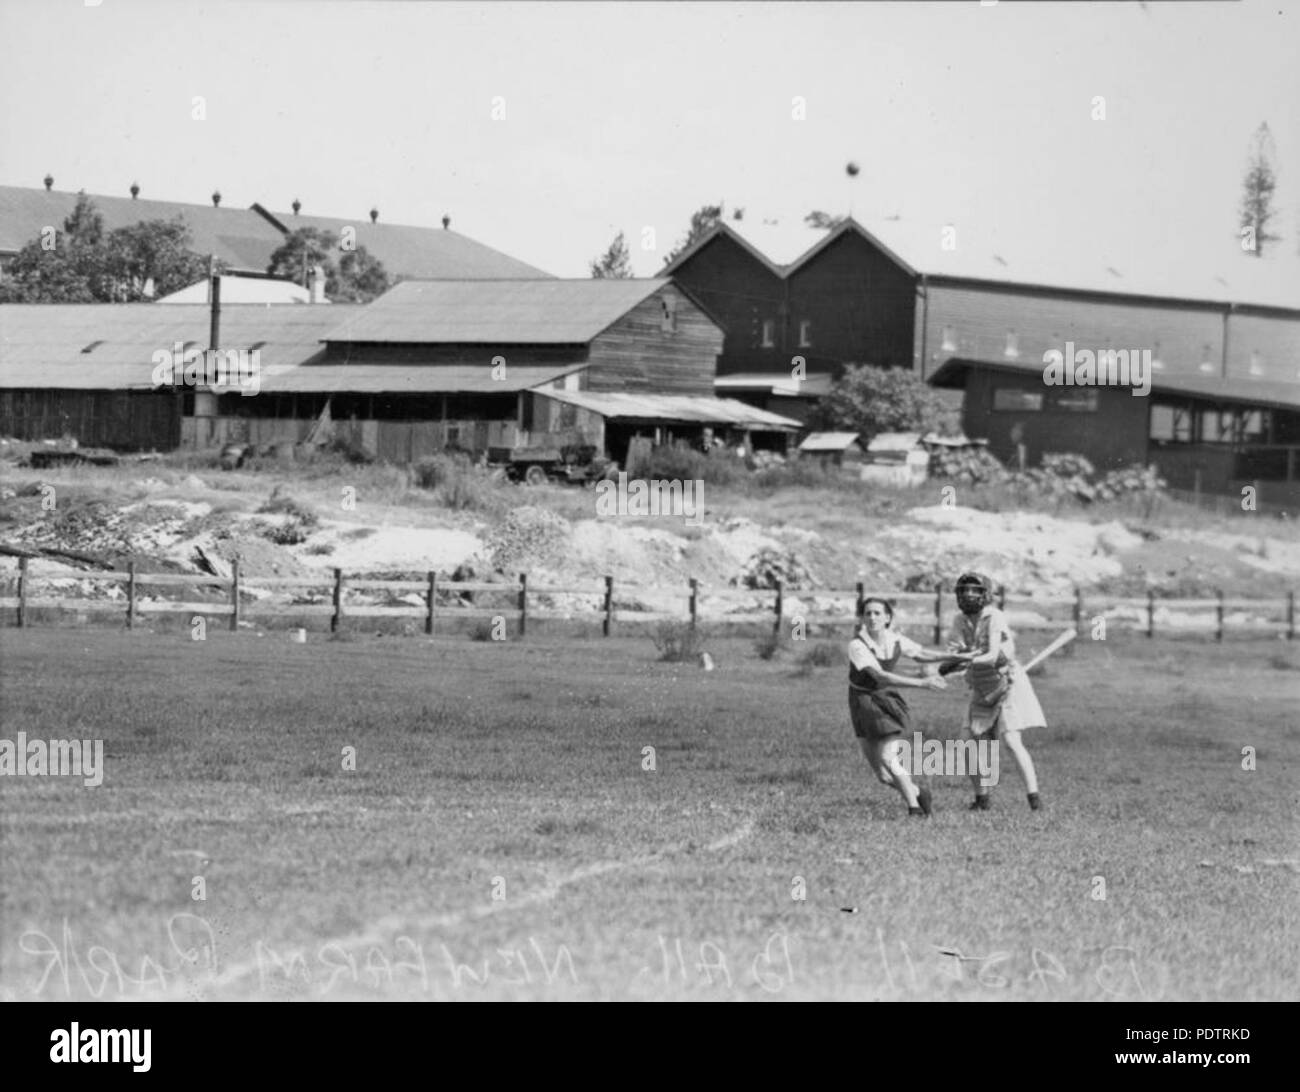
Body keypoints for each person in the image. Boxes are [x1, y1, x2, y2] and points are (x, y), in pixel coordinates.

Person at [848, 597, 954, 818]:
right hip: (861, 703)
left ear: (887, 618)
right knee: (883, 776)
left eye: (877, 613)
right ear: (862, 618)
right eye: (868, 613)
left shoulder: (895, 640)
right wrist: (923, 683)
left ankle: (914, 810)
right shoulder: (857, 645)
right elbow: (880, 675)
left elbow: (922, 654)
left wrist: (956, 656)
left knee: (889, 757)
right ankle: (918, 792)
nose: (872, 617)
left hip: (886, 703)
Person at [946, 572, 1044, 811]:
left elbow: (991, 655)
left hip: (1006, 682)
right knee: (967, 742)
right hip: (981, 685)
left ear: (985, 594)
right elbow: (952, 652)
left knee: (1011, 739)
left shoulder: (995, 616)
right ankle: (982, 799)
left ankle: (1035, 800)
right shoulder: (959, 620)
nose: (969, 595)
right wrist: (950, 662)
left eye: (975, 590)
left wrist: (965, 659)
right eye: (965, 590)